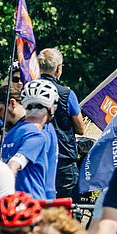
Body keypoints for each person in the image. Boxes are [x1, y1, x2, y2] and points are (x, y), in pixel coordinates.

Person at [37, 48, 87, 202]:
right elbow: (80, 129)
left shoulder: (29, 91)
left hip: (38, 157)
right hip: (64, 158)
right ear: (59, 68)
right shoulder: (67, 94)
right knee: (69, 208)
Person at [1, 79, 61, 199]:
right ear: (51, 109)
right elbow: (13, 165)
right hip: (33, 205)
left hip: (13, 204)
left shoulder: (11, 132)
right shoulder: (38, 135)